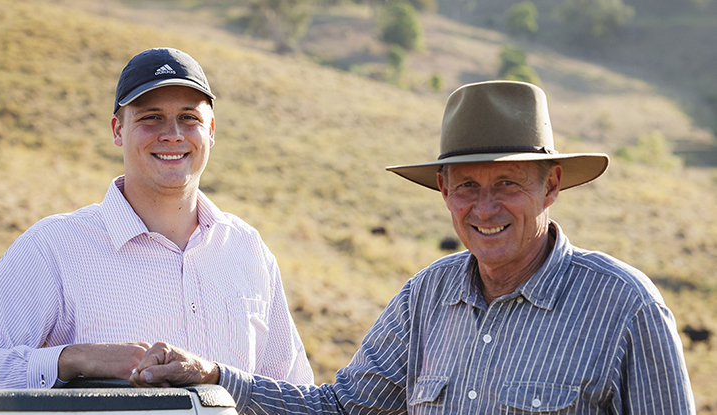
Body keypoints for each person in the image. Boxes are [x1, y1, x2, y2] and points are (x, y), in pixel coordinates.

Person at [128, 80, 695, 414]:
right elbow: (343, 408)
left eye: (508, 185)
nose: (485, 208)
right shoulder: (427, 298)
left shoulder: (624, 307)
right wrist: (215, 377)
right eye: (467, 187)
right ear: (444, 191)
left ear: (551, 186)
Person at [0, 47, 313, 389]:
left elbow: (293, 394)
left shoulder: (247, 249)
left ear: (210, 130)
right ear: (118, 130)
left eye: (189, 118)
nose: (172, 134)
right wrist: (73, 359)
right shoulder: (53, 248)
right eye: (150, 117)